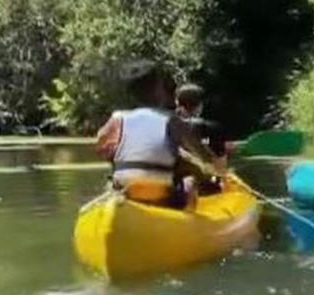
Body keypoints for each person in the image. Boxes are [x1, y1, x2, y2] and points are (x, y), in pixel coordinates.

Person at [94, 62, 225, 208]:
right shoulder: (171, 120)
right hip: (160, 195)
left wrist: (118, 160)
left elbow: (100, 147)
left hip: (125, 189)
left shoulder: (118, 118)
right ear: (158, 90)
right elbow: (201, 154)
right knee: (190, 180)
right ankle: (189, 214)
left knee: (111, 181)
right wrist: (212, 171)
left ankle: (117, 204)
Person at [174, 83, 228, 196]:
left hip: (171, 183)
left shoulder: (166, 124)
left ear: (177, 103)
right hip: (204, 187)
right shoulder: (211, 128)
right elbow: (221, 167)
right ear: (200, 106)